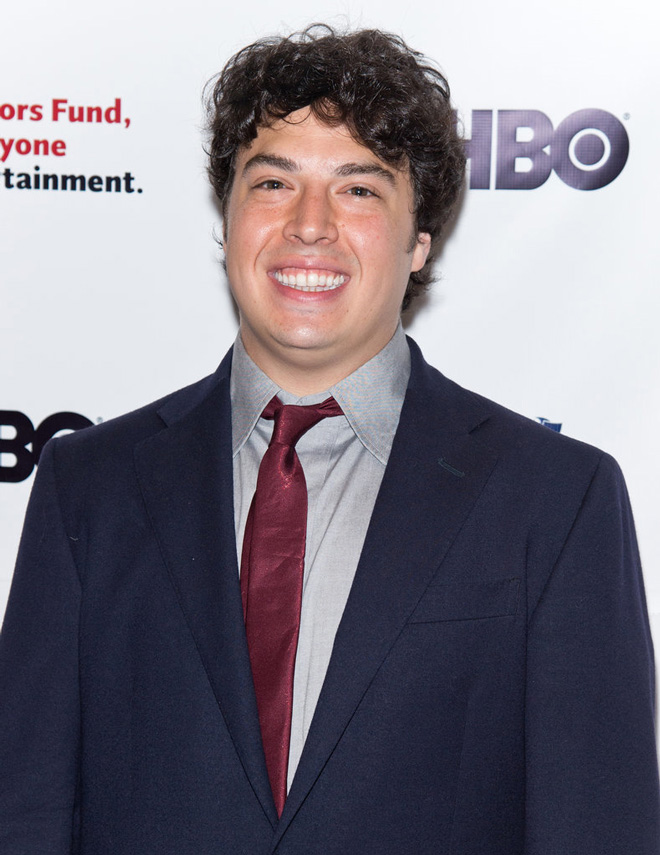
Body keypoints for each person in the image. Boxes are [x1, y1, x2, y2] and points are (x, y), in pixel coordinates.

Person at [1, 24, 658, 855]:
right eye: (274, 183)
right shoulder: (86, 487)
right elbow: (24, 814)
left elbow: (598, 826)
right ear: (228, 221)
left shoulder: (558, 501)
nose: (309, 225)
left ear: (419, 242)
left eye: (358, 190)